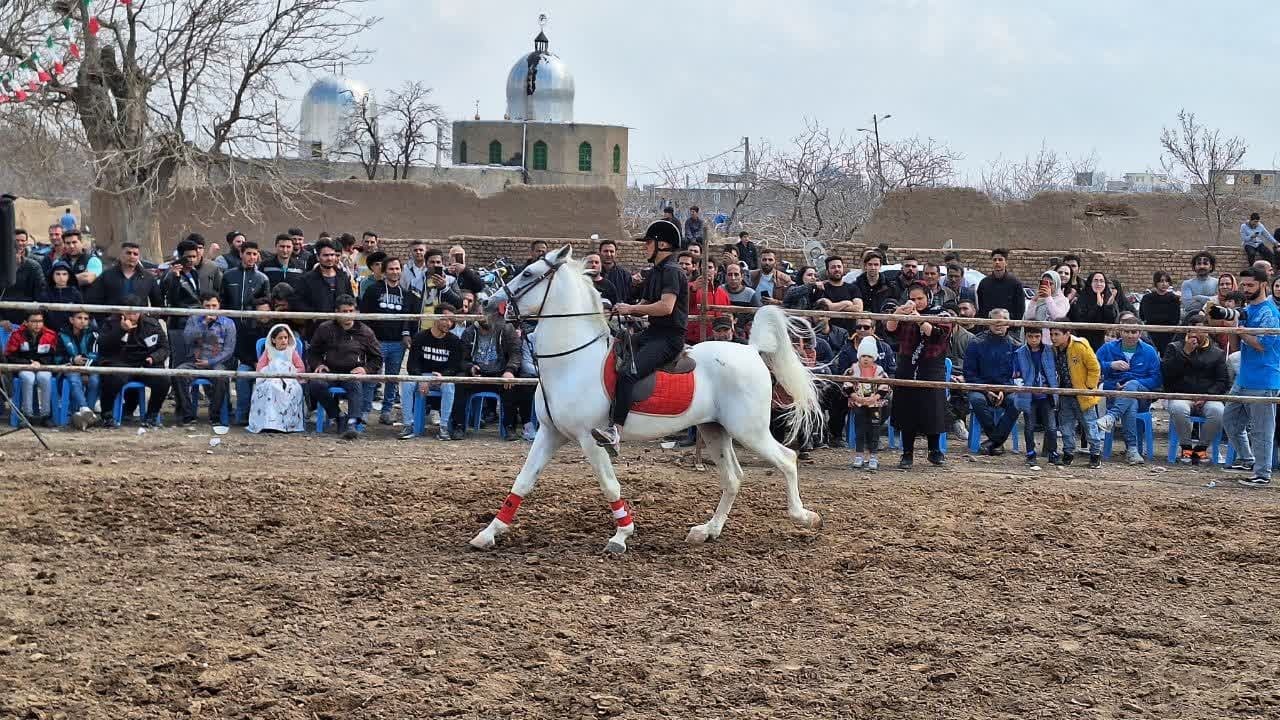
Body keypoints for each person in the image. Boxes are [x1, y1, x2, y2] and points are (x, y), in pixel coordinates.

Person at [592, 220, 689, 456]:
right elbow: (645, 304)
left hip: (668, 339)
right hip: (652, 333)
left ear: (662, 244)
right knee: (614, 353)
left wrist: (632, 310)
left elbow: (666, 307)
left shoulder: (673, 272)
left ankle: (616, 431)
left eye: (648, 242)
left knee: (629, 372)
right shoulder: (656, 271)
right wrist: (625, 308)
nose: (645, 246)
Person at [1219, 268, 1280, 487]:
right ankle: (1248, 459)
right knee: (1230, 421)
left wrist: (1239, 331)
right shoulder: (1250, 309)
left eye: (1250, 285)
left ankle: (1263, 474)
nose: (1245, 289)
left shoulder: (1270, 313)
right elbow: (1237, 335)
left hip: (1264, 378)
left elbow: (1262, 344)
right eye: (1243, 285)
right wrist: (1230, 321)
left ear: (1264, 284)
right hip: (1244, 377)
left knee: (1262, 430)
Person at [885, 283, 952, 468]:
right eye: (913, 299)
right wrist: (898, 312)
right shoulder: (905, 314)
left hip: (932, 365)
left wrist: (920, 320)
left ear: (928, 297)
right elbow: (890, 329)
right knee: (907, 409)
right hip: (907, 363)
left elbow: (938, 335)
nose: (916, 302)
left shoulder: (941, 313)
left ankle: (934, 450)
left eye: (920, 299)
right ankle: (907, 453)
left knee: (932, 409)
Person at [306, 295, 382, 440]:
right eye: (344, 311)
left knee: (355, 383)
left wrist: (365, 369)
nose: (348, 315)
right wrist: (318, 364)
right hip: (330, 371)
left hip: (352, 372)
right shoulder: (325, 328)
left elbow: (377, 358)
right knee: (315, 384)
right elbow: (313, 351)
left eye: (351, 311)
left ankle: (352, 423)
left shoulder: (365, 332)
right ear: (336, 312)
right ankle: (338, 415)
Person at [358, 257, 421, 424]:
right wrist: (368, 339)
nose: (395, 272)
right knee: (372, 378)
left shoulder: (407, 295)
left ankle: (386, 411)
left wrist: (406, 335)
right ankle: (365, 411)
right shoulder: (373, 290)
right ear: (384, 271)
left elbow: (409, 319)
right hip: (376, 341)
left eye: (397, 269)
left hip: (396, 343)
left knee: (392, 379)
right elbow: (364, 315)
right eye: (391, 269)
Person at [1094, 317, 1162, 465]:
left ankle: (1111, 417)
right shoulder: (1108, 348)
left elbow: (1156, 380)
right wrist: (1110, 365)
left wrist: (1136, 383)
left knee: (1132, 387)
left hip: (1142, 395)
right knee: (1130, 404)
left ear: (1140, 333)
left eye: (1134, 332)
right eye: (1127, 331)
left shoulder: (1149, 351)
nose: (1130, 335)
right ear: (1120, 331)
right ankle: (1132, 450)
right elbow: (1093, 365)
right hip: (1115, 394)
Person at [1162, 312, 1228, 465]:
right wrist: (1185, 353)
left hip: (1207, 396)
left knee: (1218, 411)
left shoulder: (1217, 353)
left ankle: (1201, 448)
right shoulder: (1175, 348)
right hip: (1181, 394)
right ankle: (1186, 446)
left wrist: (1207, 395)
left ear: (1207, 331)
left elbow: (1222, 381)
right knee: (1178, 408)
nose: (1196, 334)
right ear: (1187, 331)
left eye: (1200, 330)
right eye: (1192, 330)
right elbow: (1167, 374)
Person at [96, 298, 170, 427]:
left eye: (135, 312)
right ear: (123, 311)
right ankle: (107, 415)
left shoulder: (151, 324)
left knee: (164, 380)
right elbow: (103, 346)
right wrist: (121, 330)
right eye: (129, 312)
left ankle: (151, 416)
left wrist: (154, 357)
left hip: (144, 363)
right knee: (114, 378)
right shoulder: (111, 322)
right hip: (119, 361)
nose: (132, 316)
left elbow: (164, 348)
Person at [400, 304, 466, 441]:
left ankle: (443, 427)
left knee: (449, 385)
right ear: (435, 317)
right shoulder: (420, 337)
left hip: (441, 378)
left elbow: (456, 365)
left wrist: (444, 376)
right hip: (423, 375)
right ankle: (407, 425)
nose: (448, 323)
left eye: (451, 320)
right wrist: (421, 379)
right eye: (444, 319)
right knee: (406, 382)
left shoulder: (454, 341)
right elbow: (412, 364)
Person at [171, 292, 237, 426]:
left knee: (221, 377)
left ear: (219, 305)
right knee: (178, 374)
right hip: (194, 361)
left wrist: (210, 362)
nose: (211, 309)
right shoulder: (194, 319)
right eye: (207, 306)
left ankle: (215, 415)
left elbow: (229, 350)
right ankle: (187, 414)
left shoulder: (228, 323)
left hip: (216, 362)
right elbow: (187, 339)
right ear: (202, 306)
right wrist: (203, 324)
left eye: (214, 305)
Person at [964, 309, 1019, 455]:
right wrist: (986, 390)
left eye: (1002, 322)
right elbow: (969, 373)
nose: (999, 325)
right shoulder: (976, 342)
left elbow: (1016, 376)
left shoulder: (1015, 345)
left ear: (1009, 324)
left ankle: (993, 441)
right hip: (980, 388)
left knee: (1017, 402)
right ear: (988, 323)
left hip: (1005, 389)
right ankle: (997, 441)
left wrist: (1003, 390)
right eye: (995, 322)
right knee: (976, 400)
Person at [1049, 326, 1103, 468]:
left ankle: (1095, 454)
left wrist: (1089, 387)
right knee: (1066, 426)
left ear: (1067, 334)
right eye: (1051, 334)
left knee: (1089, 425)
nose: (1053, 337)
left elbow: (1094, 367)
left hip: (1082, 393)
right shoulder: (1054, 349)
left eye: (1057, 334)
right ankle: (1068, 453)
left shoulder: (1080, 346)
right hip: (1065, 394)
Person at [1012, 324, 1059, 470]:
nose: (1034, 340)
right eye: (1030, 337)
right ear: (1026, 337)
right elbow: (1016, 375)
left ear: (1041, 336)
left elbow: (1055, 371)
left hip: (1047, 394)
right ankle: (1031, 453)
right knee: (1029, 426)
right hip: (1028, 395)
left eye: (1037, 336)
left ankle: (1052, 452)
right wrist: (1026, 388)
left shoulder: (1050, 351)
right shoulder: (1019, 353)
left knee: (1051, 427)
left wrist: (1050, 387)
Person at [4, 307, 59, 426]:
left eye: (40, 321)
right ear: (26, 322)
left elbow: (54, 356)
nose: (37, 324)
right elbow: (10, 356)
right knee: (28, 378)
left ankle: (45, 416)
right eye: (34, 321)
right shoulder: (17, 335)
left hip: (43, 367)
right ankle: (27, 415)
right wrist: (28, 363)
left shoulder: (51, 335)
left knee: (45, 378)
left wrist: (40, 362)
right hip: (23, 367)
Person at [248, 324, 307, 434]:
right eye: (280, 338)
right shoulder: (268, 352)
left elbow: (301, 367)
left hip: (289, 380)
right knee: (271, 388)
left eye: (285, 337)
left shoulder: (291, 352)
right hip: (271, 378)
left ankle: (287, 424)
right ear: (273, 340)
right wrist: (273, 368)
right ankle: (269, 423)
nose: (284, 340)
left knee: (292, 390)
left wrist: (288, 371)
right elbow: (260, 368)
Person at [845, 335, 892, 471]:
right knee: (859, 429)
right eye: (863, 355)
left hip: (875, 405)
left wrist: (875, 397)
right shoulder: (853, 369)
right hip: (859, 404)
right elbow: (847, 384)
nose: (866, 359)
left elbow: (885, 386)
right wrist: (855, 397)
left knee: (874, 430)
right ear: (859, 356)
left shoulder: (879, 371)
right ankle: (859, 455)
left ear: (874, 357)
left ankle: (873, 456)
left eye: (869, 356)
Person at [291, 239, 352, 336]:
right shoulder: (307, 279)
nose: (330, 258)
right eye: (325, 255)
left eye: (332, 255)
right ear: (318, 257)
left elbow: (350, 299)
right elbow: (297, 302)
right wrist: (313, 315)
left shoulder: (343, 277)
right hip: (316, 332)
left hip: (342, 331)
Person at [85, 242, 160, 310]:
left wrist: (149, 320)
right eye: (128, 253)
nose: (132, 256)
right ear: (120, 255)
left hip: (140, 323)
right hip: (113, 322)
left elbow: (157, 304)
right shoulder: (107, 276)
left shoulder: (148, 278)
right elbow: (94, 300)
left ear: (138, 257)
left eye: (135, 254)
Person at [59, 310, 101, 429]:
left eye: (86, 318)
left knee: (95, 380)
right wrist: (73, 360)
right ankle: (85, 410)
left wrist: (84, 369)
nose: (83, 321)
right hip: (69, 368)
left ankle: (85, 414)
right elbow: (58, 358)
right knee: (73, 376)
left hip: (90, 368)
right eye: (79, 318)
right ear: (71, 320)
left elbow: (95, 355)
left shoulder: (94, 334)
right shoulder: (62, 335)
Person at [0, 229, 47, 327]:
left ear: (20, 252)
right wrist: (1, 321)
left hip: (28, 321)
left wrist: (31, 320)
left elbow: (41, 295)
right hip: (3, 320)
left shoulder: (34, 267)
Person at [1069, 271, 1120, 351]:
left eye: (1101, 281)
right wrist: (1097, 307)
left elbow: (1112, 321)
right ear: (1090, 283)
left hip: (1104, 343)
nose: (1099, 284)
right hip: (1084, 342)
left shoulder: (1109, 298)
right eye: (1095, 280)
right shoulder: (1082, 299)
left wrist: (1108, 306)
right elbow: (1081, 320)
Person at [976, 248, 1025, 328]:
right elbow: (981, 307)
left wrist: (1012, 326)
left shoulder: (1015, 283)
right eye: (994, 260)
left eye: (1000, 259)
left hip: (1010, 329)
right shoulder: (984, 283)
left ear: (1006, 262)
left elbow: (1020, 309)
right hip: (988, 328)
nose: (997, 262)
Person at [815, 256, 862, 332]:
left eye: (839, 267)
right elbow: (825, 308)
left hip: (850, 332)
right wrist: (847, 303)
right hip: (828, 333)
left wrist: (834, 307)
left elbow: (858, 309)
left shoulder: (853, 288)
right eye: (833, 267)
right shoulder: (822, 288)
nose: (837, 269)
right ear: (827, 271)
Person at [1023, 270, 1070, 346]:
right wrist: (1034, 300)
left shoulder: (1063, 300)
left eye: (1050, 284)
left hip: (1052, 342)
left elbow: (1058, 318)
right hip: (1035, 341)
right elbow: (1029, 318)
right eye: (1043, 283)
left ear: (1057, 284)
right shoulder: (1038, 299)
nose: (1046, 287)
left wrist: (1048, 298)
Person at [1139, 271, 1181, 353]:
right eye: (1161, 281)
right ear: (1156, 282)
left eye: (1166, 281)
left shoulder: (1174, 299)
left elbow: (1175, 319)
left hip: (1169, 333)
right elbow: (1145, 316)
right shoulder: (1147, 298)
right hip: (1152, 332)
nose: (1164, 284)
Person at [852, 252, 899, 321]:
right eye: (870, 264)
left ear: (880, 266)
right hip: (861, 326)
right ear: (865, 265)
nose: (873, 268)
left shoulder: (890, 287)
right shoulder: (855, 286)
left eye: (876, 265)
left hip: (882, 326)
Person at [38, 262, 83, 334]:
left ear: (69, 276)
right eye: (57, 274)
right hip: (48, 332)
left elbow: (80, 314)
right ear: (52, 275)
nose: (61, 277)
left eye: (64, 274)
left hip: (70, 333)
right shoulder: (45, 293)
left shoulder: (75, 293)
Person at [685, 272, 730, 345]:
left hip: (717, 340)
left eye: (710, 267)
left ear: (716, 270)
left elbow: (727, 315)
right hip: (692, 340)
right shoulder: (690, 287)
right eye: (704, 267)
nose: (707, 270)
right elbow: (682, 304)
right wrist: (693, 289)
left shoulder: (723, 293)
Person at [597, 239, 633, 304]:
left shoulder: (625, 275)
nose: (608, 254)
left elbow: (630, 299)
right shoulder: (593, 275)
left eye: (611, 251)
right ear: (600, 253)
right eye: (605, 251)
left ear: (616, 254)